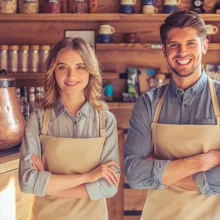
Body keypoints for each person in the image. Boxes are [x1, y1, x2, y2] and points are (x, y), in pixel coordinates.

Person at [124, 11, 220, 220]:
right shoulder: (147, 104)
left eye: (191, 43)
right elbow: (134, 174)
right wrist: (205, 161)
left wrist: (161, 170)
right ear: (165, 50)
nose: (182, 52)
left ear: (204, 46)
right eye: (174, 44)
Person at [19, 37, 120, 220]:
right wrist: (87, 177)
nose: (71, 76)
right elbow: (27, 182)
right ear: (53, 71)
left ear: (90, 71)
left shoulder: (106, 121)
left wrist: (48, 185)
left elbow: (108, 186)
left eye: (80, 67)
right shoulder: (38, 120)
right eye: (62, 67)